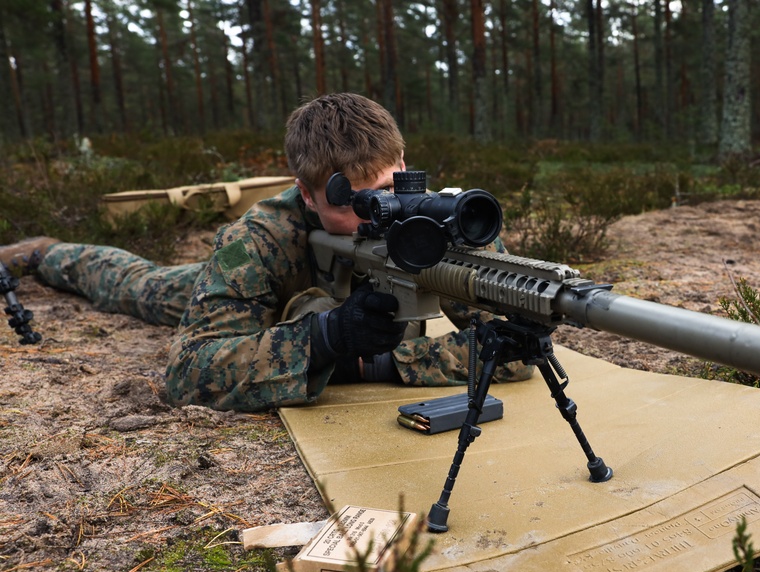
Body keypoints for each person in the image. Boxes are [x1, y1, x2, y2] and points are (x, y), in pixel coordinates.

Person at [0, 93, 532, 412]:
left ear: (406, 164)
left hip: (310, 312)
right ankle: (45, 252)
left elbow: (512, 347)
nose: (381, 212)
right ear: (305, 193)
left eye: (394, 189)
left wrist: (380, 363)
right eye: (354, 201)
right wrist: (326, 341)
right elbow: (189, 374)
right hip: (257, 293)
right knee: (139, 286)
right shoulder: (254, 241)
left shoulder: (443, 220)